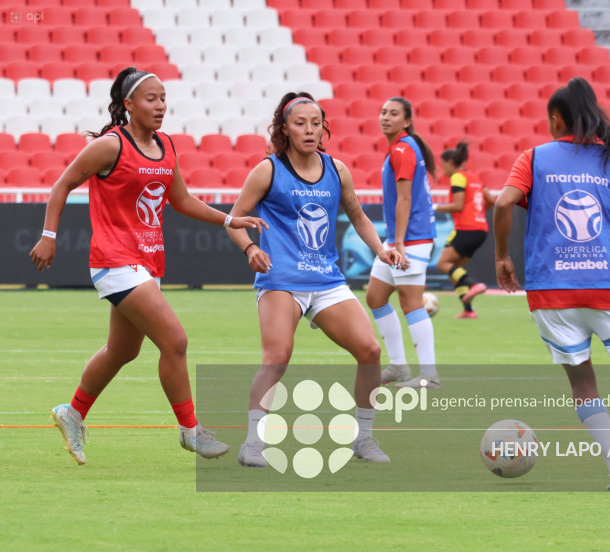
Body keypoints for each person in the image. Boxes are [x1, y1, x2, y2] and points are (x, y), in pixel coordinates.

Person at [28, 67, 265, 465]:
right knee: (175, 341)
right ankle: (191, 431)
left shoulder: (166, 145)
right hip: (115, 261)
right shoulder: (110, 146)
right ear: (129, 104)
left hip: (147, 261)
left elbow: (182, 200)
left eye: (163, 98)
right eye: (151, 99)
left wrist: (229, 219)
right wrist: (48, 236)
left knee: (122, 350)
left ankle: (72, 413)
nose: (160, 106)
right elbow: (62, 184)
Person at [493, 77, 610, 491]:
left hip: (550, 291)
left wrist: (502, 257)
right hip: (605, 284)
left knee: (582, 380)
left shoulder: (533, 157)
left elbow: (504, 202)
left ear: (556, 119)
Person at [225, 92, 403, 467]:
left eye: (316, 123)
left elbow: (358, 217)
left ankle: (364, 439)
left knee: (370, 351)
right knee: (277, 358)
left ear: (324, 128)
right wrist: (250, 248)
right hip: (281, 281)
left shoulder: (337, 170)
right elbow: (234, 220)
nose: (309, 130)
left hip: (327, 281)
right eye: (300, 123)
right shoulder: (268, 170)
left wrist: (380, 249)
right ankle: (253, 444)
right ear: (284, 129)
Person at [365, 97, 439, 389]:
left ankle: (430, 376)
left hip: (410, 239)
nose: (386, 117)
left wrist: (398, 243)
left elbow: (405, 199)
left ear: (406, 121)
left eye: (394, 114)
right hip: (402, 238)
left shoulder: (403, 149)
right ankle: (398, 365)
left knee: (410, 303)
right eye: (383, 112)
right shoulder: (401, 148)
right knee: (375, 297)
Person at [434, 139, 495, 319]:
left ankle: (474, 284)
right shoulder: (475, 177)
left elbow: (458, 205)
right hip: (480, 229)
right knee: (455, 270)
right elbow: (491, 200)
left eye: (443, 165)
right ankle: (468, 310)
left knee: (443, 264)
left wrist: (434, 207)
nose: (443, 170)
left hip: (466, 228)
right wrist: (477, 213)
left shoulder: (457, 177)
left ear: (450, 162)